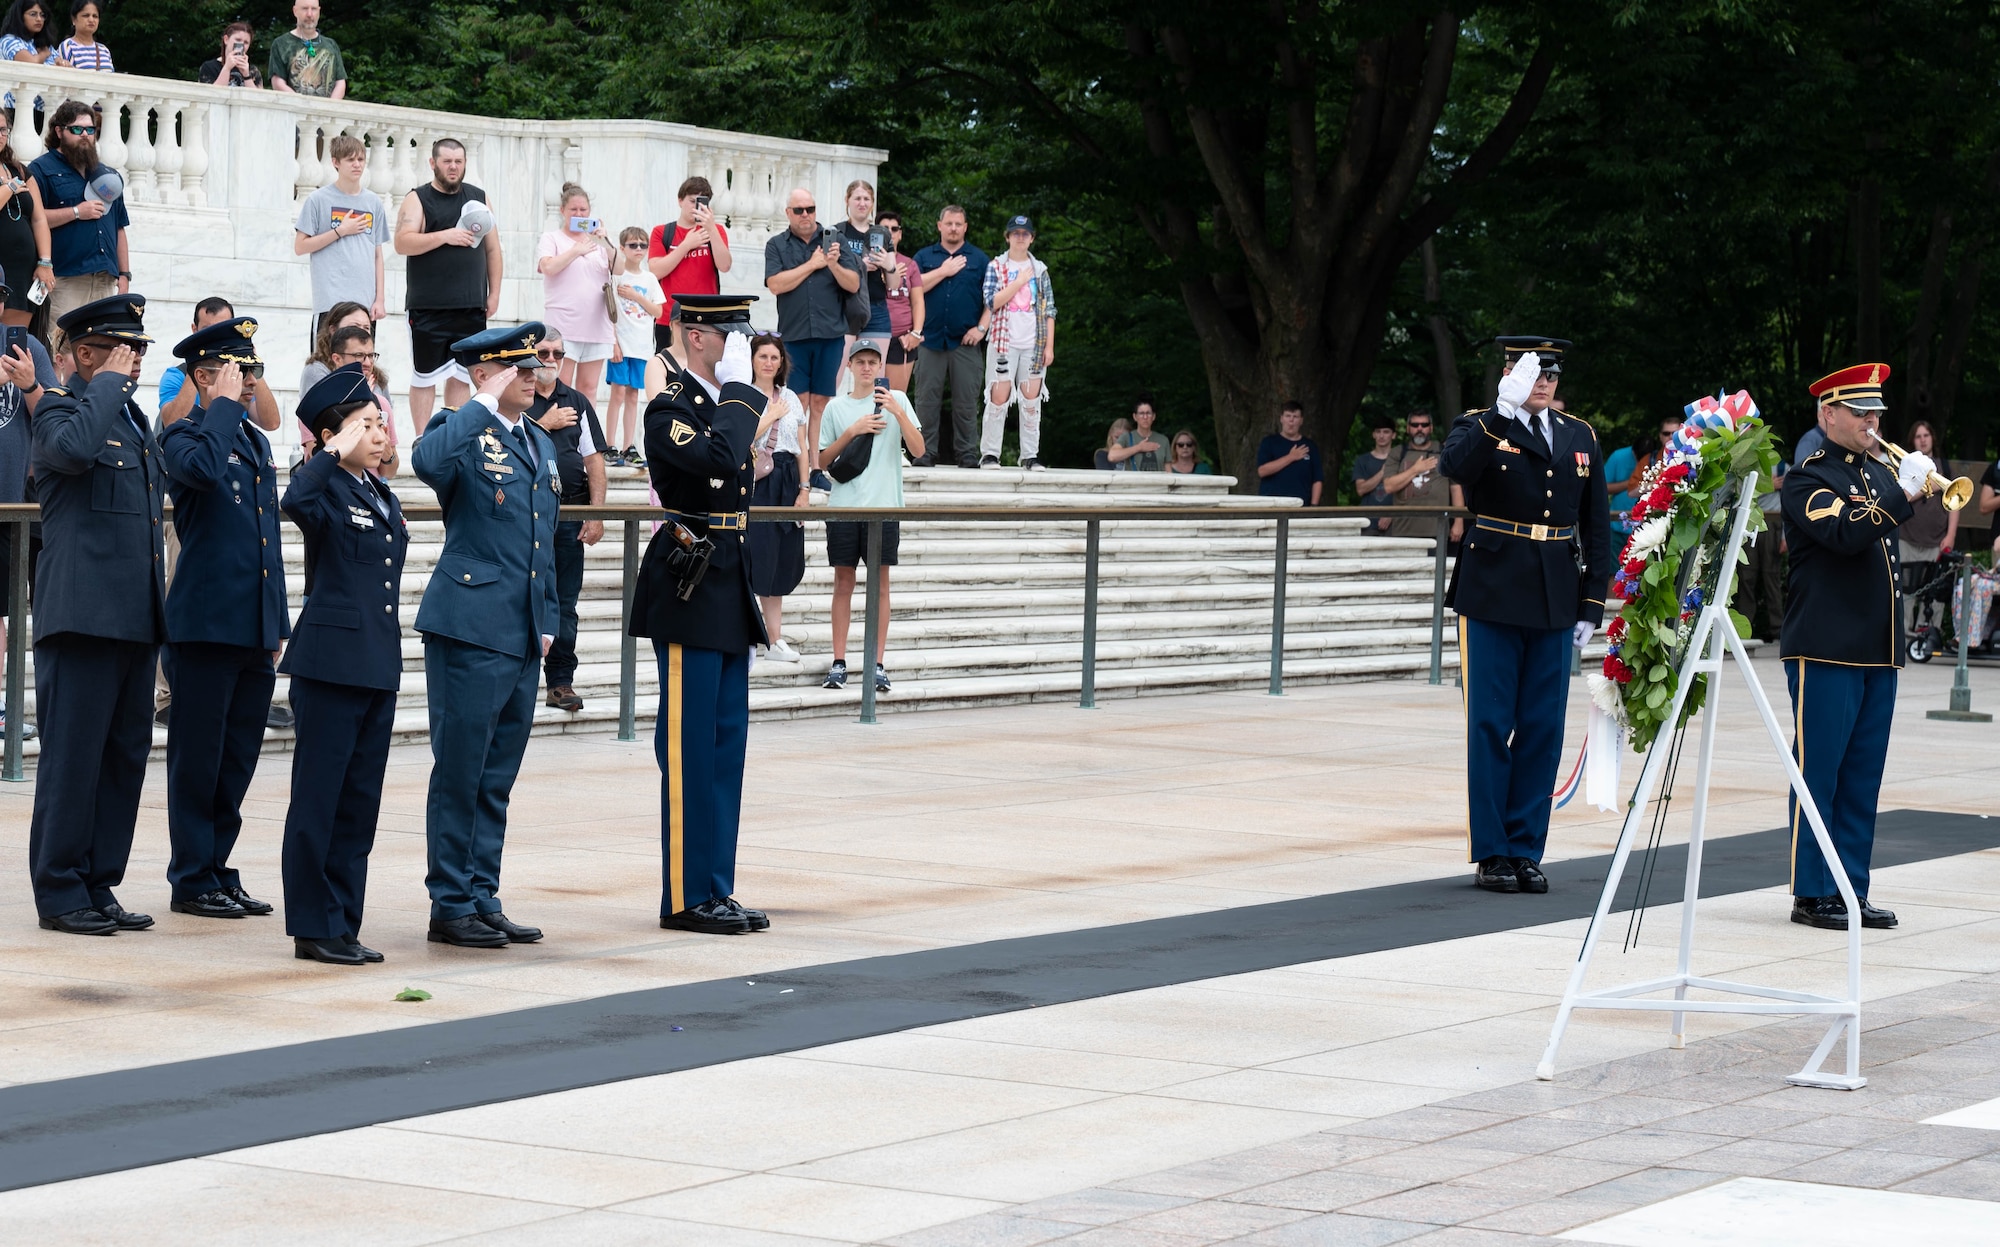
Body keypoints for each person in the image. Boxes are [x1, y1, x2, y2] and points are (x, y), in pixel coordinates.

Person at [1439, 337, 1610, 895]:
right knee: (1490, 724)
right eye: (1532, 372)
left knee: (1542, 727)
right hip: (1491, 588)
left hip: (1556, 591)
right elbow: (1456, 468)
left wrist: (1592, 600)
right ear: (1509, 373)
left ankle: (1525, 847)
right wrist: (1501, 412)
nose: (1543, 383)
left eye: (1551, 375)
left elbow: (1597, 523)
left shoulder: (1579, 435)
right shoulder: (1481, 423)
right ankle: (1491, 851)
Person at [631, 294, 778, 935]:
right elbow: (718, 460)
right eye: (726, 333)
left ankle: (717, 888)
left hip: (727, 583)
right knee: (690, 751)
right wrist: (745, 392)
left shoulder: (720, 409)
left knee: (725, 749)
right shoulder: (670, 411)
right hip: (690, 589)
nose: (733, 344)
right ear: (694, 336)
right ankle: (686, 897)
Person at [410, 322, 558, 949]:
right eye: (517, 368)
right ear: (484, 373)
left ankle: (482, 893)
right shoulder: (460, 429)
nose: (533, 376)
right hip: (470, 625)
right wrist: (478, 403)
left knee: (496, 774)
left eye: (535, 367)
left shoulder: (539, 444)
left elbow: (542, 542)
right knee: (461, 770)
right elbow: (425, 463)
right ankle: (450, 901)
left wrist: (549, 619)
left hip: (522, 628)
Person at [26, 294, 163, 936]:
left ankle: (98, 881)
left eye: (137, 351)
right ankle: (58, 889)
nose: (134, 362)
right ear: (84, 354)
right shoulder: (58, 411)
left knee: (121, 760)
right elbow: (76, 451)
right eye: (122, 351)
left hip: (134, 619)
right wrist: (105, 383)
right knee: (73, 760)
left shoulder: (132, 422)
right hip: (80, 618)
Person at [1782, 363, 1925, 932]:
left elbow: (1897, 532)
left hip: (1875, 647)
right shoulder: (1805, 478)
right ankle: (1812, 891)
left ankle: (1851, 886)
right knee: (1820, 772)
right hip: (1825, 646)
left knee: (1863, 777)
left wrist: (1910, 487)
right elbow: (1846, 533)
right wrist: (1903, 489)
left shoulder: (1877, 472)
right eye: (1861, 413)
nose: (1872, 422)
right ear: (1828, 414)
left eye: (1877, 414)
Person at [158, 316, 288, 922]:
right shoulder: (185, 438)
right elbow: (205, 474)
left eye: (252, 372)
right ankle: (191, 876)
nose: (249, 385)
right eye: (239, 374)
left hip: (251, 625)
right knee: (198, 759)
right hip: (205, 625)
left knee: (236, 759)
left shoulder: (253, 442)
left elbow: (268, 540)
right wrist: (220, 408)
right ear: (205, 378)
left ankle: (218, 867)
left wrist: (278, 622)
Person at [279, 365, 407, 966]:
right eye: (367, 424)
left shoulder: (380, 493)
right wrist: (331, 451)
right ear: (335, 434)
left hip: (375, 662)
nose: (380, 434)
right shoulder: (324, 484)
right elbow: (295, 502)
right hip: (330, 665)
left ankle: (344, 920)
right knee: (319, 798)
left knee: (359, 802)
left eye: (381, 423)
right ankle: (313, 924)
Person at [820, 337, 922, 693]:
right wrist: (854, 430)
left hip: (884, 506)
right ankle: (838, 661)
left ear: (880, 367)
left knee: (881, 586)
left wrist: (895, 410)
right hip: (845, 507)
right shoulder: (836, 408)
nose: (866, 368)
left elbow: (920, 448)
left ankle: (877, 663)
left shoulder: (900, 401)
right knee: (843, 583)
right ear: (849, 367)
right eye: (859, 361)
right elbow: (821, 461)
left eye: (872, 362)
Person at [523, 327, 607, 713]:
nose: (551, 360)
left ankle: (560, 682)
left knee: (566, 602)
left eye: (558, 353)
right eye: (544, 352)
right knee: (524, 596)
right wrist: (545, 424)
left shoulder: (577, 401)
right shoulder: (516, 396)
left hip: (571, 515)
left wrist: (596, 512)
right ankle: (519, 679)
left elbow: (593, 461)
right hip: (525, 515)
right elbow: (499, 440)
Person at [395, 138, 500, 430]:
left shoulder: (478, 198)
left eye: (458, 161)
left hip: (471, 305)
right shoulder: (417, 198)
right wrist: (445, 235)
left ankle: (456, 438)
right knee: (424, 376)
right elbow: (402, 242)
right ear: (433, 163)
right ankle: (422, 439)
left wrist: (495, 293)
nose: (453, 167)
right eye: (447, 161)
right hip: (428, 306)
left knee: (462, 376)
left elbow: (493, 249)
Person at [765, 187, 861, 490]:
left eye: (810, 208)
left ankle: (816, 468)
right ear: (788, 213)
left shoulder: (836, 240)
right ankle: (793, 464)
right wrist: (812, 265)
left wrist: (831, 263)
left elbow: (854, 284)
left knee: (820, 402)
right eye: (799, 210)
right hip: (793, 335)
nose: (806, 215)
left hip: (830, 334)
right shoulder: (777, 244)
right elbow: (775, 284)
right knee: (795, 403)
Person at [0, 274, 54, 742]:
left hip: (11, 503)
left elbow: (58, 420)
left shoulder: (28, 350)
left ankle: (2, 709)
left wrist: (30, 384)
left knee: (4, 612)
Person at [29, 99, 130, 325]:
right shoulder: (41, 169)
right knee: (63, 351)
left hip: (105, 279)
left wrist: (124, 274)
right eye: (77, 129)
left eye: (90, 129)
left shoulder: (107, 175)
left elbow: (119, 227)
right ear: (59, 131)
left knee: (98, 350)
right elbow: (34, 219)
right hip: (65, 279)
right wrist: (76, 212)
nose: (85, 134)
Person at [746, 332, 807, 661]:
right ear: (752, 360)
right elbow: (738, 439)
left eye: (774, 357)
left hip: (788, 480)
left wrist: (805, 489)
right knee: (756, 556)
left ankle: (774, 637)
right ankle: (749, 636)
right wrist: (768, 415)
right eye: (763, 356)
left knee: (782, 557)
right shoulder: (742, 395)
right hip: (757, 481)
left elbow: (802, 447)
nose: (769, 362)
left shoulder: (792, 397)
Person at [913, 205, 990, 468]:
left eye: (959, 224)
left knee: (967, 401)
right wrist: (943, 271)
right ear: (939, 225)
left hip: (965, 341)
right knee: (925, 400)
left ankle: (967, 453)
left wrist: (981, 328)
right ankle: (924, 452)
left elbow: (991, 300)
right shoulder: (924, 257)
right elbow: (913, 288)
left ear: (965, 227)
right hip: (928, 339)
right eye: (949, 223)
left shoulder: (980, 260)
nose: (954, 228)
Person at [978, 215, 1055, 470]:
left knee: (1031, 400)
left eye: (1025, 233)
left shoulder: (1041, 269)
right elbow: (991, 302)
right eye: (1016, 233)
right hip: (1003, 341)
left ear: (1032, 238)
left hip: (1034, 343)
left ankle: (1030, 455)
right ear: (1007, 236)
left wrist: (1049, 346)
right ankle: (990, 454)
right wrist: (1018, 283)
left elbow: (1049, 310)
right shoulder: (996, 266)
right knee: (998, 397)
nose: (1020, 237)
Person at [295, 135, 389, 336]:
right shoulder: (317, 200)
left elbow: (377, 255)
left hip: (364, 305)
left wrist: (379, 299)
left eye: (361, 159)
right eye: (350, 159)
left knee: (361, 364)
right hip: (330, 303)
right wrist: (340, 231)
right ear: (335, 162)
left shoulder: (373, 202)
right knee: (324, 364)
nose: (357, 165)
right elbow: (300, 246)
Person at [535, 182, 615, 403]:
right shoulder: (552, 238)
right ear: (563, 211)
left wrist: (606, 242)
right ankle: (559, 433)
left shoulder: (598, 242)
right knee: (561, 384)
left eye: (583, 210)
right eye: (574, 210)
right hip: (564, 326)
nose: (579, 214)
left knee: (588, 389)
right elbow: (548, 267)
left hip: (596, 326)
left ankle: (585, 435)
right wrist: (575, 250)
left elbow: (619, 269)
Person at [648, 176, 731, 355]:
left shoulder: (716, 232)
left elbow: (724, 265)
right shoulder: (662, 232)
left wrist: (711, 229)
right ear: (680, 200)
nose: (695, 207)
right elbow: (655, 270)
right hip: (669, 317)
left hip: (707, 317)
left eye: (701, 203)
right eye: (692, 201)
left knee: (705, 373)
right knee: (669, 373)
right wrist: (686, 245)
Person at [606, 227, 662, 466]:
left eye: (642, 245)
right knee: (617, 394)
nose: (638, 249)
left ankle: (629, 446)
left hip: (641, 347)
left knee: (633, 396)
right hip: (621, 344)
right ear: (622, 248)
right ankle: (610, 444)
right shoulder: (615, 276)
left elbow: (659, 311)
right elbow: (608, 313)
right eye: (633, 245)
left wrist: (637, 296)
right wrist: (614, 343)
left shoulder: (649, 279)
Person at [0, 112, 54, 331]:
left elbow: (40, 219)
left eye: (3, 130)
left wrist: (45, 262)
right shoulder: (14, 180)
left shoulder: (19, 170)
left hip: (22, 272)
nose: (0, 135)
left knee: (14, 345)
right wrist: (9, 188)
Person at [1896, 419, 1957, 611]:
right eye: (1918, 436)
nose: (1923, 440)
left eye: (1926, 435)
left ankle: (1930, 639)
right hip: (1907, 541)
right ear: (1912, 441)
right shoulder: (1904, 467)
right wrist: (1929, 487)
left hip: (1936, 543)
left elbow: (1955, 504)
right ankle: (1903, 640)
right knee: (1905, 599)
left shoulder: (1945, 468)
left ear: (1932, 438)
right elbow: (1898, 499)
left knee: (1933, 600)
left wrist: (1951, 536)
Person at [1382, 410, 1461, 543]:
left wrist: (1459, 522)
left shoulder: (1444, 452)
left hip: (1438, 530)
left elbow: (1456, 487)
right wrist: (1415, 470)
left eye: (1424, 425)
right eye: (1415, 425)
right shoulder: (1398, 453)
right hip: (1403, 531)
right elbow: (1389, 487)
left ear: (1431, 428)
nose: (1419, 429)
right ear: (1408, 428)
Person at [834, 181, 891, 344]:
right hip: (844, 304)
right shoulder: (837, 232)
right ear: (847, 200)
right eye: (857, 198)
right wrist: (860, 266)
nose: (862, 203)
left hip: (877, 305)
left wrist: (888, 265)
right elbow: (828, 270)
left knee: (874, 368)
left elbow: (893, 284)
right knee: (837, 368)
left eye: (866, 199)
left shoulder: (882, 233)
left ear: (873, 202)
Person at [876, 211, 925, 395]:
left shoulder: (910, 264)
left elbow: (918, 301)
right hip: (873, 334)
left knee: (895, 398)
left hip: (901, 338)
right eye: (884, 229)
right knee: (871, 397)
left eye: (894, 229)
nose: (890, 232)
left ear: (900, 234)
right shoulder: (868, 262)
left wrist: (916, 333)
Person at [267, 0, 345, 98]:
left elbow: (340, 82)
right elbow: (278, 82)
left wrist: (330, 107)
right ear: (295, 11)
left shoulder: (331, 45)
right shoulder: (281, 44)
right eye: (304, 8)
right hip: (293, 109)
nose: (309, 14)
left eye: (313, 9)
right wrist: (302, 104)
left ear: (319, 11)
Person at [1256, 401, 1324, 505]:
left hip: (1301, 506)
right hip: (1272, 505)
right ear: (1281, 419)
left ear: (1301, 421)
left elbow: (1317, 479)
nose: (1291, 420)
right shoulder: (1269, 442)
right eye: (1288, 416)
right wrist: (1291, 457)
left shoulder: (1310, 446)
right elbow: (1262, 471)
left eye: (1295, 417)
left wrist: (1313, 506)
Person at [1353, 419, 1397, 533]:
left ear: (1393, 435)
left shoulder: (1400, 461)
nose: (1381, 436)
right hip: (1367, 522)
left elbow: (1406, 493)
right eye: (1378, 432)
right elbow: (1360, 489)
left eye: (1386, 432)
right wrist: (1382, 472)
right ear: (1373, 435)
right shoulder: (1362, 460)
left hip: (1395, 524)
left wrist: (1392, 515)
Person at [1106, 398, 1166, 471]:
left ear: (1153, 416)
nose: (1145, 417)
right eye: (1141, 413)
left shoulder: (1163, 440)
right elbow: (1112, 456)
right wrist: (1139, 448)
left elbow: (1168, 469)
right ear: (1135, 416)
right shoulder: (1126, 437)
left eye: (1148, 413)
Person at [200, 20, 261, 88]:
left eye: (246, 42)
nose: (241, 45)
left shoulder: (253, 70)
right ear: (226, 39)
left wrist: (246, 75)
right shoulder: (209, 67)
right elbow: (211, 94)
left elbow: (259, 97)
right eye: (238, 40)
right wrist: (227, 68)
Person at [56, 0, 109, 72]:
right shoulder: (68, 46)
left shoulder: (104, 50)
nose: (91, 20)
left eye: (95, 16)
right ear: (74, 19)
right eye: (86, 15)